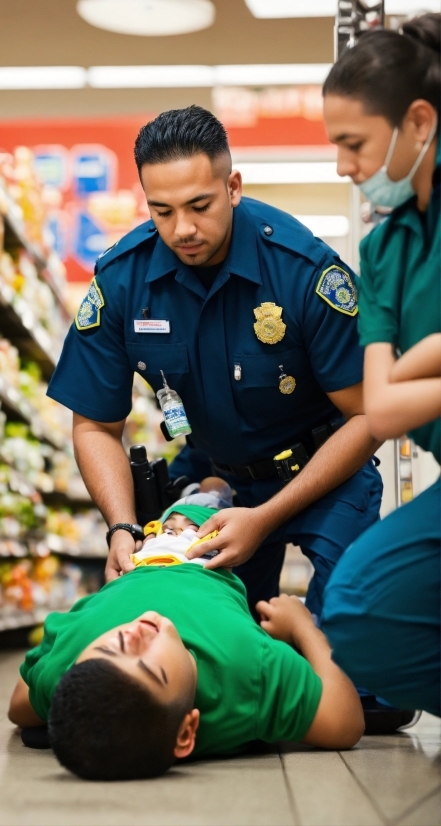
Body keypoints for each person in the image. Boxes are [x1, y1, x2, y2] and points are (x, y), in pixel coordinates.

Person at [47, 106, 383, 627]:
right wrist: (122, 527)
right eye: (162, 211)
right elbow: (95, 425)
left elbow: (368, 416)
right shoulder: (122, 281)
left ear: (233, 186)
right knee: (205, 647)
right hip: (215, 479)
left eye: (199, 205)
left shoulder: (304, 271)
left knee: (357, 659)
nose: (183, 229)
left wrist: (266, 518)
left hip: (324, 473)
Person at [320, 13, 440, 717]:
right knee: (358, 611)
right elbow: (383, 409)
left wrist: (419, 359)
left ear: (418, 121)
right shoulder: (386, 248)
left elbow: (395, 387)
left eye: (353, 143)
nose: (343, 165)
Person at [8, 565, 364, 780]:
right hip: (206, 552)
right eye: (149, 666)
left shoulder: (68, 668)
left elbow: (18, 707)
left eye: (110, 646)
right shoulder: (247, 669)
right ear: (186, 732)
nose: (133, 633)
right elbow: (345, 722)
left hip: (139, 552)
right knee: (212, 488)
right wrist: (302, 626)